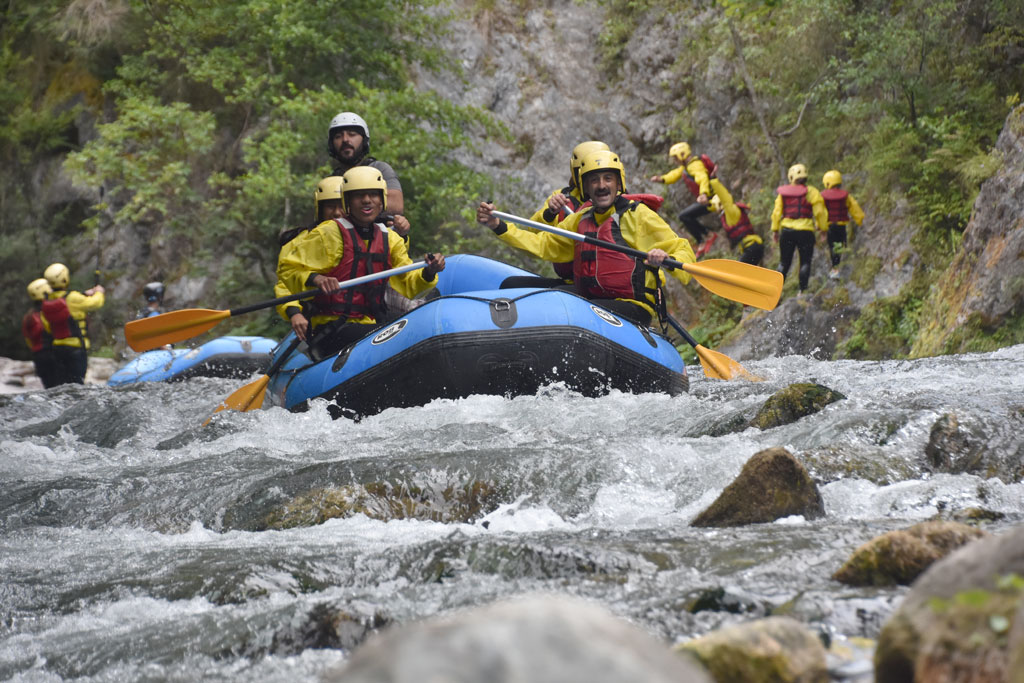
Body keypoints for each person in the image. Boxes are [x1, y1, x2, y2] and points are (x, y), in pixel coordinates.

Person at [477, 149, 696, 327]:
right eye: (594, 180)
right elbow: (543, 244)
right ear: (585, 187)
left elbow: (682, 249)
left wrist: (664, 256)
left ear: (618, 184)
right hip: (593, 297)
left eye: (608, 179)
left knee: (569, 307)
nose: (601, 185)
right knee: (519, 288)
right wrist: (498, 226)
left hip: (632, 305)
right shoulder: (581, 219)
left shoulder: (637, 216)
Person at [277, 166, 445, 359]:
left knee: (405, 329)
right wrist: (316, 279)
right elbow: (287, 269)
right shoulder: (328, 234)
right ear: (348, 201)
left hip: (372, 322)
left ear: (381, 199)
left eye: (373, 194)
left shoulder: (390, 239)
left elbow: (408, 283)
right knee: (389, 336)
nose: (367, 200)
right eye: (359, 196)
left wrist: (429, 272)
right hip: (332, 329)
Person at [525, 140, 610, 285]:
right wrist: (550, 213)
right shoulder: (561, 197)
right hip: (570, 281)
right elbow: (534, 234)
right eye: (585, 171)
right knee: (512, 284)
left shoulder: (620, 203)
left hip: (605, 285)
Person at [326, 112, 404, 216]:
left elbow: (396, 205)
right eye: (338, 136)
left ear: (364, 140)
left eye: (352, 134)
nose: (345, 139)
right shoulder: (332, 180)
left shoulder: (379, 169)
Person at [649, 141, 718, 257]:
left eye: (676, 157)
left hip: (711, 199)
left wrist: (704, 194)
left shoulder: (695, 165)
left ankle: (707, 236)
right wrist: (661, 179)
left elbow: (702, 178)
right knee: (685, 216)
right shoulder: (687, 166)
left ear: (682, 154)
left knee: (684, 216)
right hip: (707, 198)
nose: (675, 160)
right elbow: (674, 174)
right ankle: (704, 238)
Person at [42, 262, 105, 385]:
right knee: (76, 385)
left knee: (62, 384)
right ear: (65, 279)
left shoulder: (47, 302)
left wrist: (84, 293)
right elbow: (95, 303)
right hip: (76, 350)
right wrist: (99, 292)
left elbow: (47, 327)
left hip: (57, 349)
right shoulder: (72, 298)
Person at [771, 163, 827, 295]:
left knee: (784, 263)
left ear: (791, 177)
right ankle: (802, 291)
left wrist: (775, 230)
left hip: (787, 232)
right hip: (806, 232)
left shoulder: (783, 194)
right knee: (805, 262)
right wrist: (823, 229)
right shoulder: (812, 192)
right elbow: (820, 213)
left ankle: (773, 292)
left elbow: (776, 213)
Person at [707, 177, 765, 266]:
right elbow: (715, 205)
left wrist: (713, 181)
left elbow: (725, 198)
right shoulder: (727, 214)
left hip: (752, 248)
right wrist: (707, 203)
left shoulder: (730, 211)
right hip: (753, 248)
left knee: (739, 272)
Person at [820, 169, 865, 280]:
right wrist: (860, 220)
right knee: (841, 245)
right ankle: (839, 267)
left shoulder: (822, 196)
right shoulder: (845, 195)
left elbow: (819, 212)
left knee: (833, 247)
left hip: (830, 226)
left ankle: (835, 269)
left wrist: (820, 227)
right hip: (841, 226)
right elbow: (854, 208)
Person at [22, 279, 59, 389]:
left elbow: (28, 339)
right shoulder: (50, 312)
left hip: (38, 356)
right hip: (53, 354)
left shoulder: (28, 317)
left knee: (49, 388)